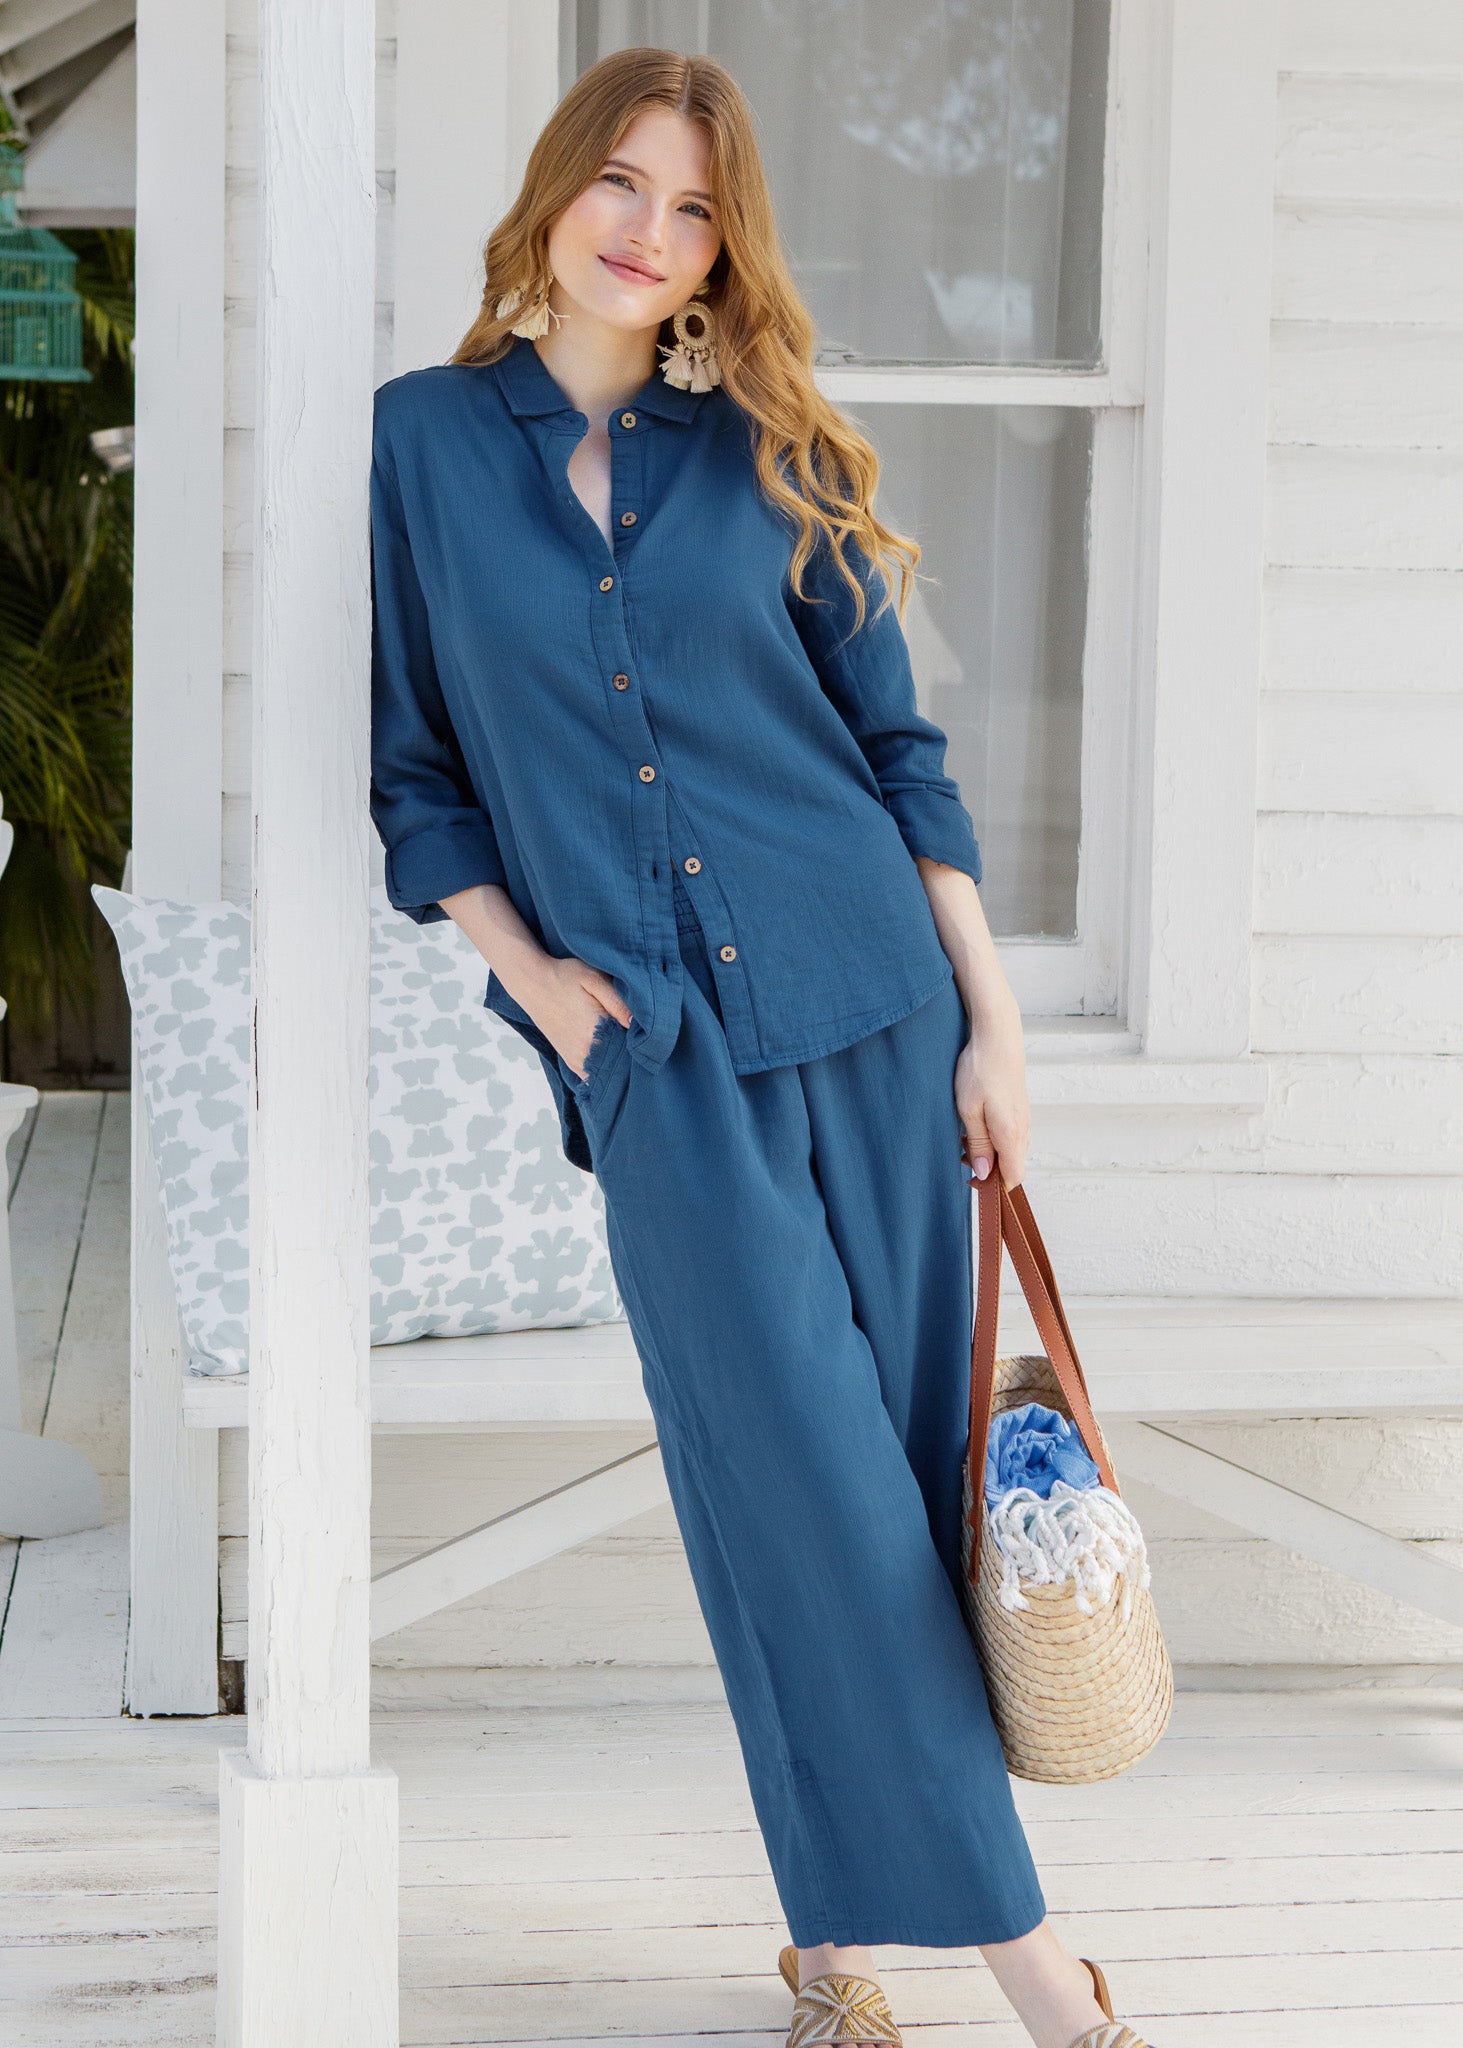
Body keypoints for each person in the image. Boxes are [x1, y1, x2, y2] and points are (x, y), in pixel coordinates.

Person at [369, 45, 1154, 2048]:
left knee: (886, 1479)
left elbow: (901, 759)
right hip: (660, 1059)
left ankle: (837, 1960)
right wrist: (542, 988)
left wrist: (995, 1024)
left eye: (694, 204)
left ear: (727, 250)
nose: (648, 228)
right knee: (792, 1482)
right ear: (557, 191)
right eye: (619, 182)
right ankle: (1050, 1986)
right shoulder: (427, 447)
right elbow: (419, 780)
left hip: (879, 1013)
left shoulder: (765, 449)